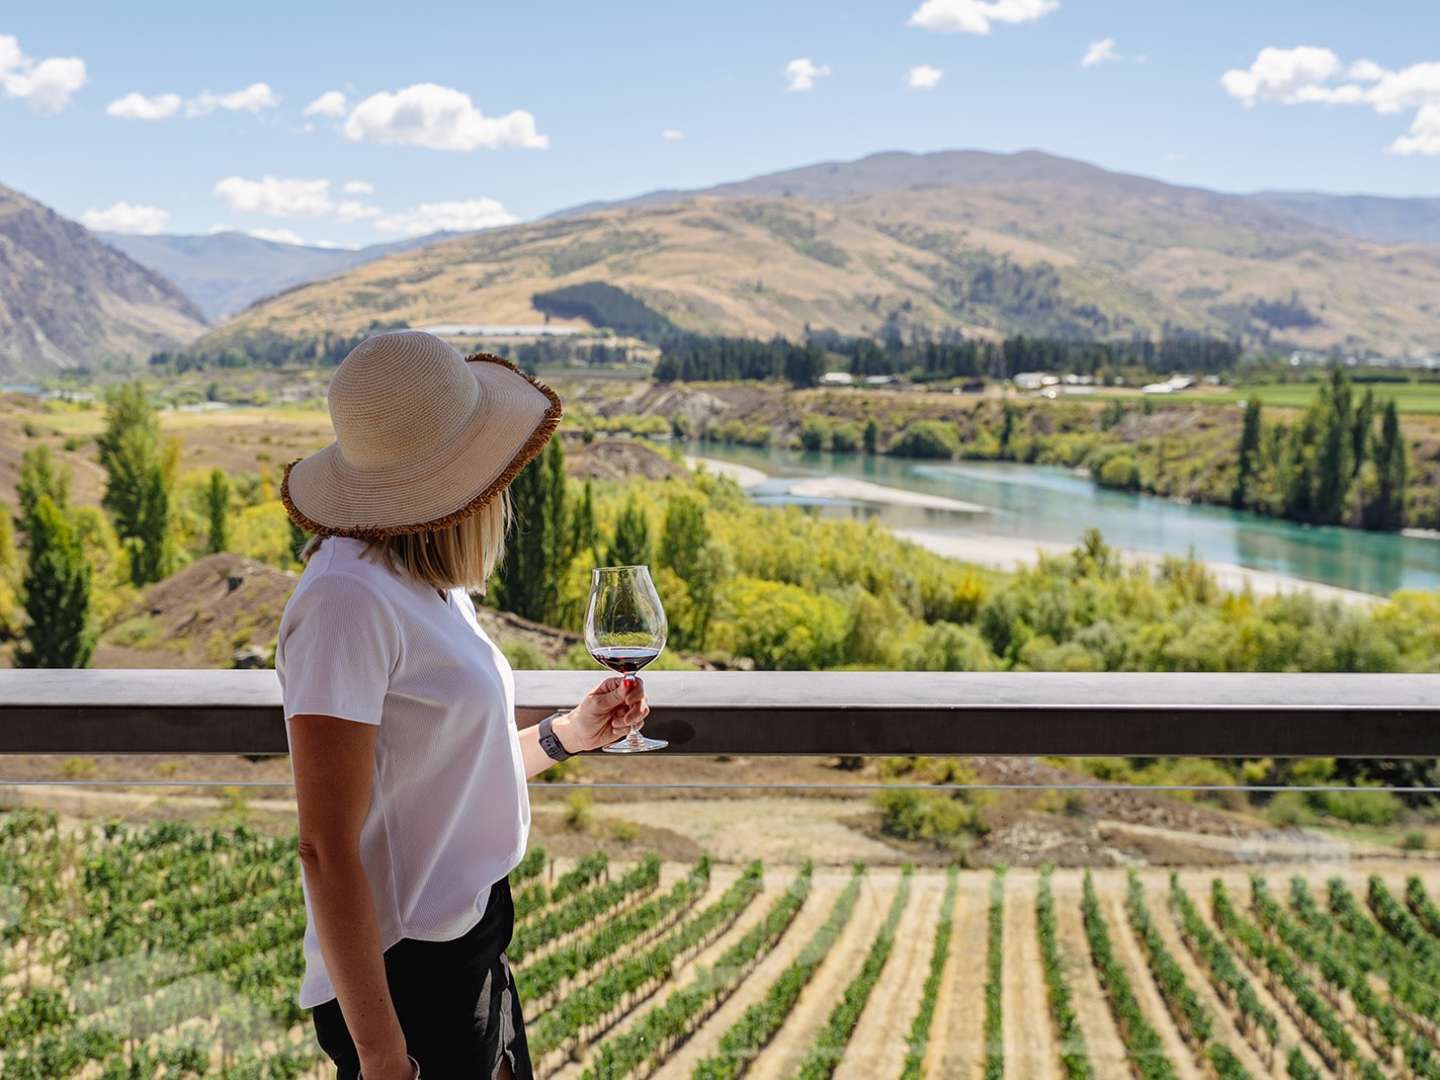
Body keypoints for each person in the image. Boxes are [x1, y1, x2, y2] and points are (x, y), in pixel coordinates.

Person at [275, 330, 651, 1080]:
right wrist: (383, 1057)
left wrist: (569, 733)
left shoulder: (422, 579)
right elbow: (325, 846)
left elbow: (448, 779)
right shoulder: (345, 599)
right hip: (409, 981)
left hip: (471, 944)